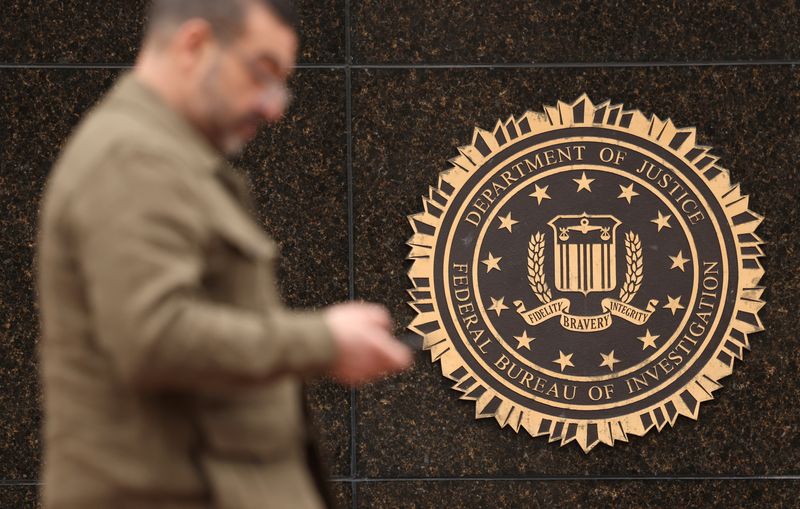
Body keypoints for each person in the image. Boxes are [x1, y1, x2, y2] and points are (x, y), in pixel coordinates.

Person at [34, 1, 412, 508]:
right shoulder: (132, 158)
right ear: (194, 44)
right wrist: (322, 342)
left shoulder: (166, 156)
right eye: (262, 72)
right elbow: (153, 336)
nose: (273, 105)